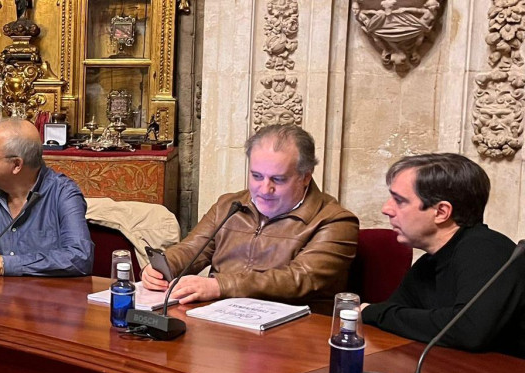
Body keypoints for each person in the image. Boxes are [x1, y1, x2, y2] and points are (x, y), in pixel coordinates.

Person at [141, 124, 358, 304]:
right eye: (256, 176)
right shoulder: (229, 205)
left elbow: (298, 279)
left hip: (295, 332)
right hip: (221, 321)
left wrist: (220, 286)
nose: (264, 189)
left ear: (305, 177)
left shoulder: (335, 221)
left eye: (278, 179)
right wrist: (161, 268)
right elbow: (191, 249)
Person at [362, 153, 525, 357]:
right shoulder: (428, 263)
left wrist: (371, 311)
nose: (386, 209)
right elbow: (394, 317)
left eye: (399, 201)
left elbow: (467, 330)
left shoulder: (485, 249)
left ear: (441, 212)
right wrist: (377, 314)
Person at [0, 117, 93, 277]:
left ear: (16, 165)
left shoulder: (63, 193)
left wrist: (5, 264)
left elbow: (80, 257)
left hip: (43, 298)